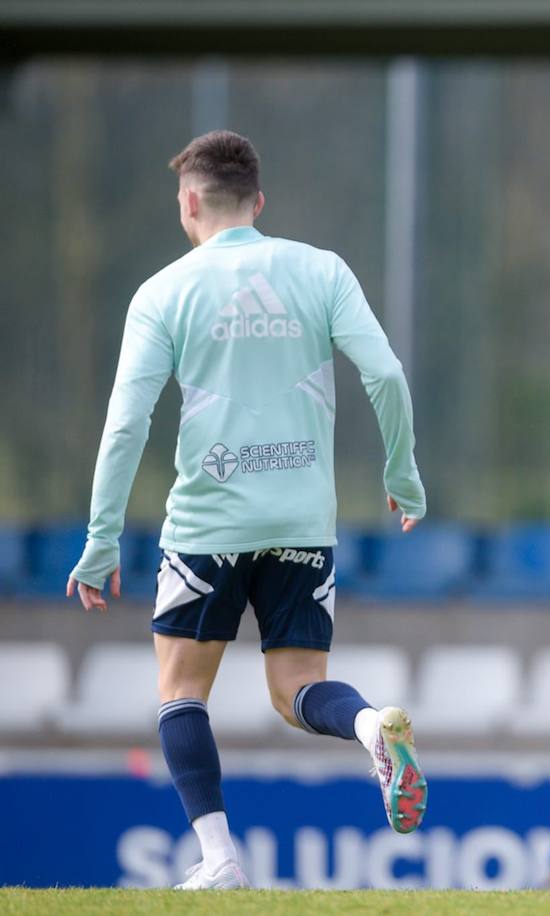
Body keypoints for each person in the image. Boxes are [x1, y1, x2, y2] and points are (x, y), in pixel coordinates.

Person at [65, 131, 429, 890]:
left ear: (189, 202)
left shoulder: (165, 291)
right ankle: (369, 727)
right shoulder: (320, 270)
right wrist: (401, 471)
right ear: (258, 203)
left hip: (208, 527)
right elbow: (387, 373)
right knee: (297, 689)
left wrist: (101, 541)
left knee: (181, 689)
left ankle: (220, 858)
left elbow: (128, 424)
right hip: (303, 522)